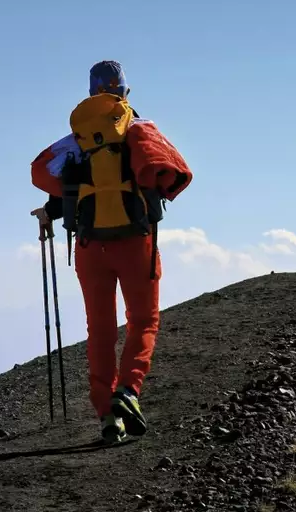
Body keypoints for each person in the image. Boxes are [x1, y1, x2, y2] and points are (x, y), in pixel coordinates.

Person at [29, 60, 192, 443]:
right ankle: (128, 392)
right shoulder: (140, 129)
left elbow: (54, 178)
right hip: (136, 243)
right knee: (142, 321)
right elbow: (172, 175)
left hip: (90, 247)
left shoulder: (77, 139)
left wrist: (50, 212)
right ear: (124, 92)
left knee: (99, 331)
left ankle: (107, 416)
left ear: (91, 94)